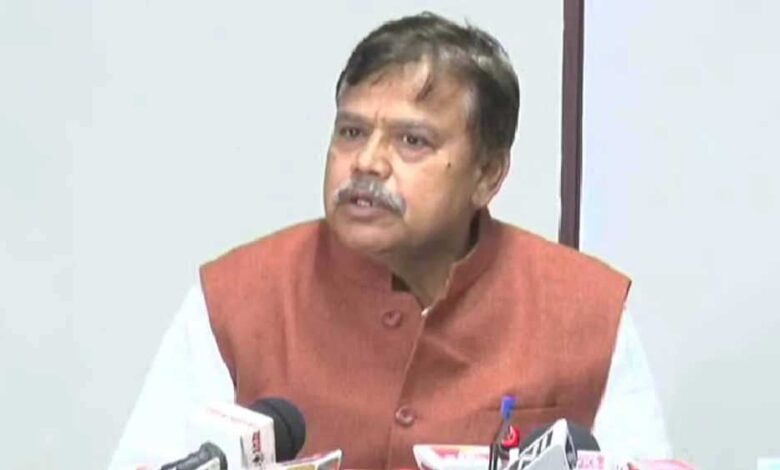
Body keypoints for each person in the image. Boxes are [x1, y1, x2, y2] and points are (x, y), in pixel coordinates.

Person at [108, 12, 671, 470]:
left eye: (412, 141)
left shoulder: (588, 311)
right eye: (351, 132)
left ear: (487, 175)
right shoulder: (235, 300)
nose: (367, 162)